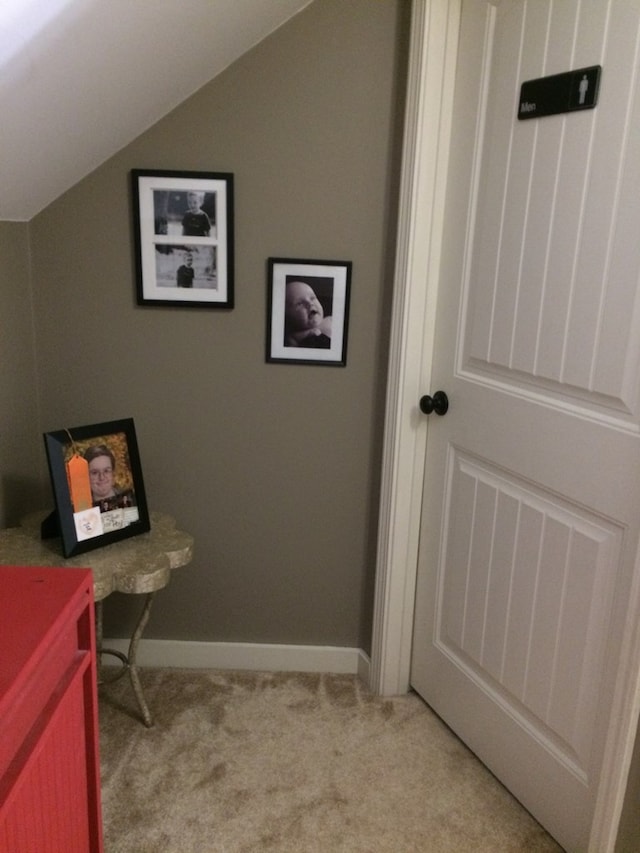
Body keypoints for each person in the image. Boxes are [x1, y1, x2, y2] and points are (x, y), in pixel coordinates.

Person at [84, 444, 135, 513]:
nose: (101, 477)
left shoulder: (131, 500)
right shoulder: (81, 510)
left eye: (106, 471)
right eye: (95, 472)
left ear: (113, 473)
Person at [284, 280, 332, 348]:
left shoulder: (331, 319)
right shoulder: (294, 338)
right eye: (299, 303)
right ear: (287, 316)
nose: (310, 303)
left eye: (312, 298)